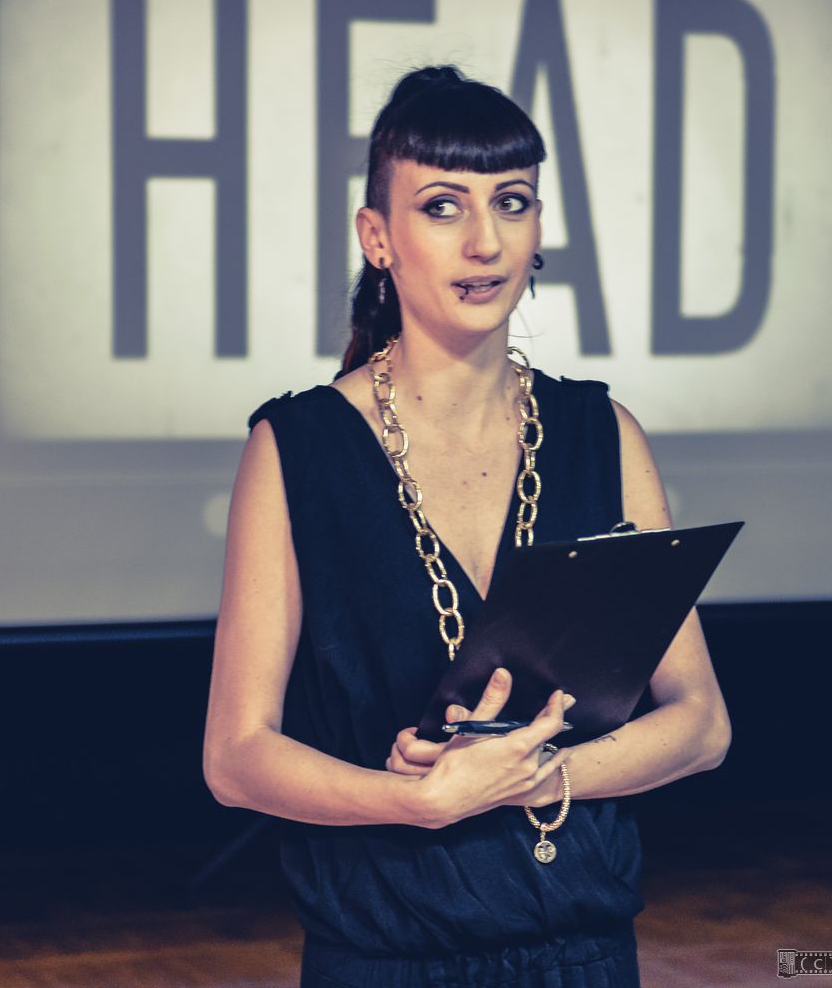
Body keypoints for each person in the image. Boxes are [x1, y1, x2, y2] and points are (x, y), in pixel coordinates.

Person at [203, 65, 730, 987]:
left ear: (538, 228)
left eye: (511, 202)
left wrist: (535, 776)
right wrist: (419, 800)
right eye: (443, 206)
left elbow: (701, 724)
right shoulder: (299, 446)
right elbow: (236, 757)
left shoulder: (600, 431)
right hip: (388, 959)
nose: (485, 240)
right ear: (378, 237)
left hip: (584, 956)